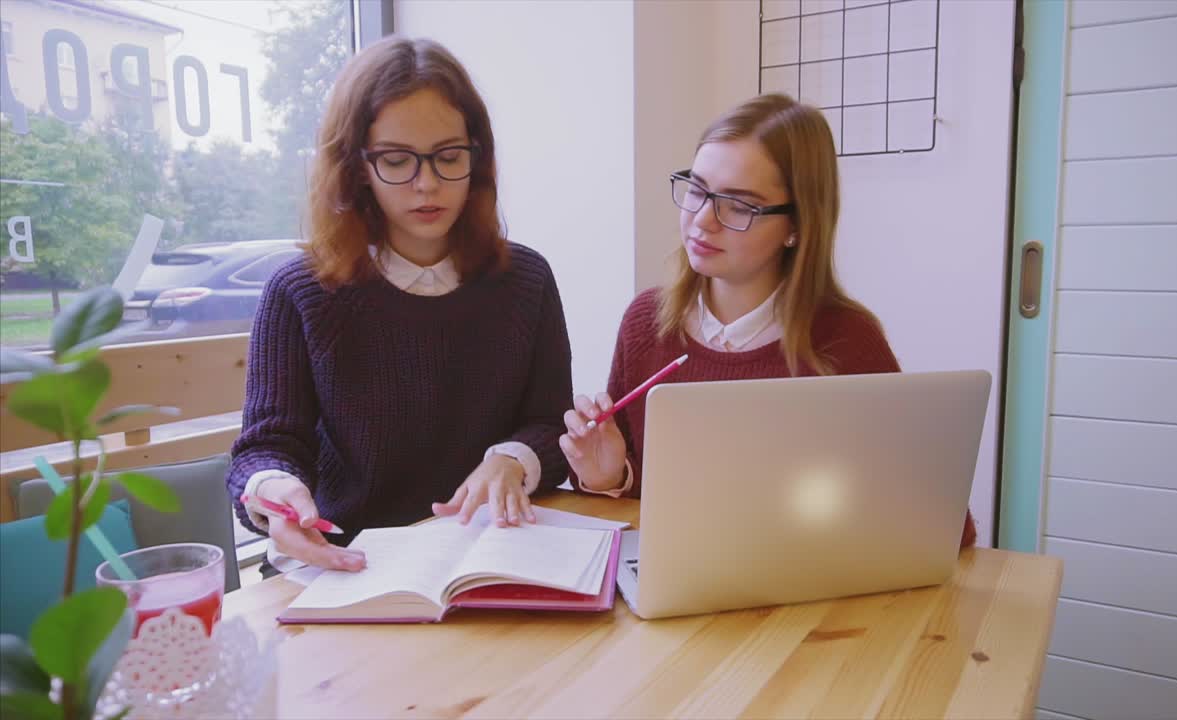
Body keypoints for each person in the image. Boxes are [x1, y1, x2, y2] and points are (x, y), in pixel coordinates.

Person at [560, 93, 977, 548]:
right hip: (674, 577)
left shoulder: (845, 343)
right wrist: (610, 477)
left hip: (803, 581)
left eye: (739, 206)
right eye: (697, 190)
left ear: (797, 226)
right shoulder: (647, 322)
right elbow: (637, 504)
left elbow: (947, 527)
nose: (702, 220)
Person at [227, 36, 574, 573]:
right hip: (348, 564)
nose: (426, 184)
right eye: (396, 160)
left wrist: (512, 459)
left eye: (449, 157)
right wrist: (275, 491)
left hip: (491, 558)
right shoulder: (300, 290)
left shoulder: (525, 280)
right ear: (357, 166)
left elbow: (550, 424)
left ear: (477, 158)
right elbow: (266, 446)